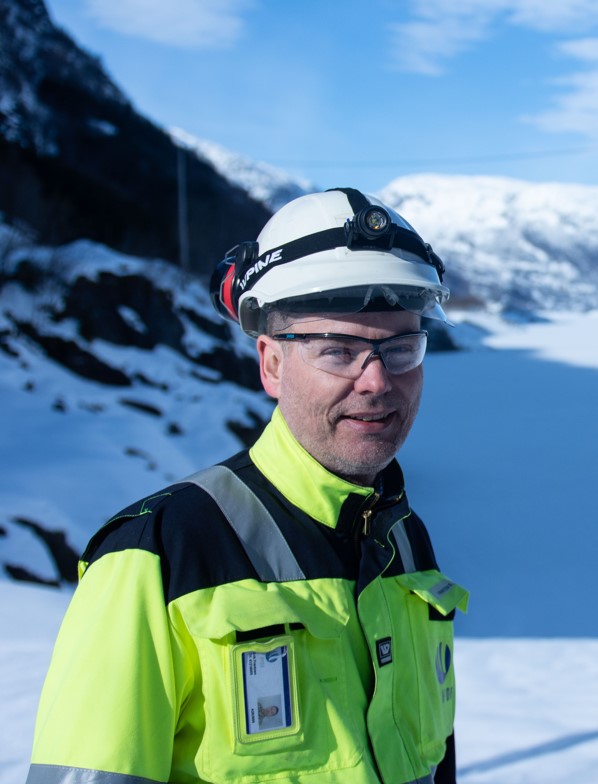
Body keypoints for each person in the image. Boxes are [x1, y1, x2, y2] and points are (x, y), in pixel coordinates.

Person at [27, 188, 468, 784]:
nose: (376, 381)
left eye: (401, 348)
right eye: (338, 350)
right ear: (272, 364)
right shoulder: (158, 556)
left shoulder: (405, 542)